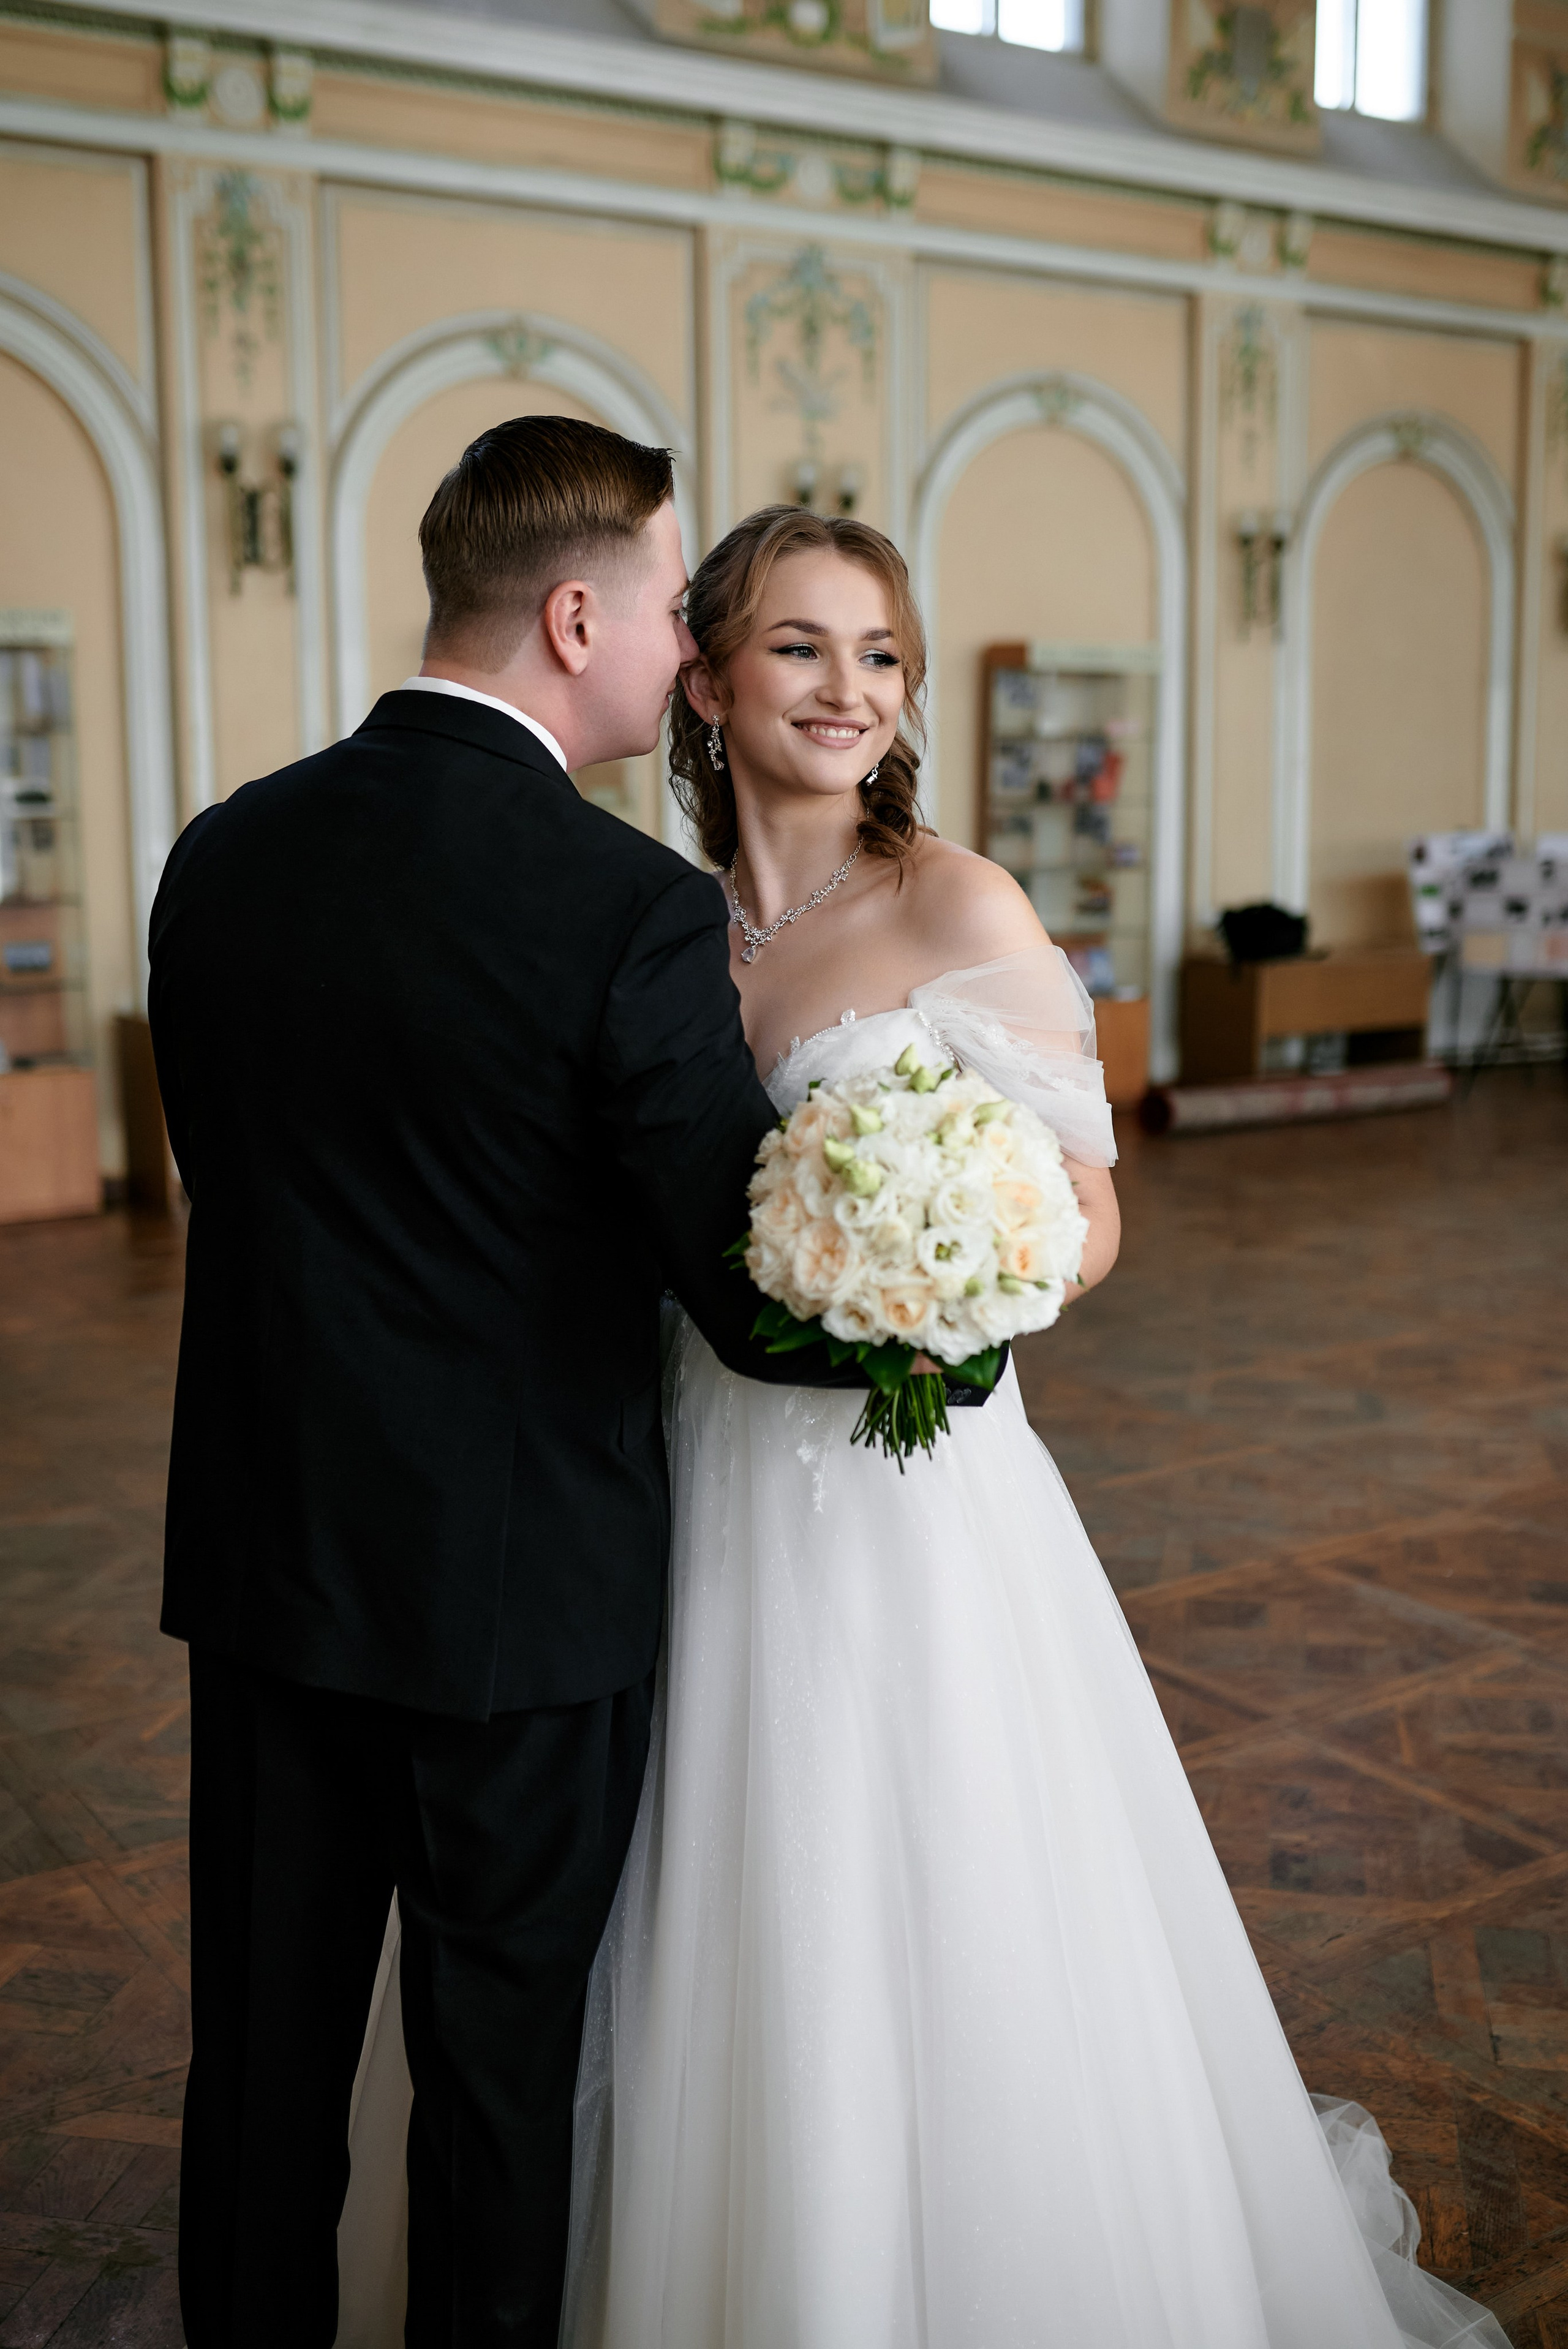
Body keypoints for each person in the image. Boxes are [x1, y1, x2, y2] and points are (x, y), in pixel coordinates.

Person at [340, 510, 1511, 2348]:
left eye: (878, 651)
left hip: (909, 1492)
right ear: (706, 679)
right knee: (666, 1903)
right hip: (670, 1476)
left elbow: (1093, 1208)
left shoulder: (959, 902)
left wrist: (935, 1275)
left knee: (925, 1890)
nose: (849, 688)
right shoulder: (646, 922)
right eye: (800, 647)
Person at [148, 421, 870, 2349]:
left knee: (264, 2081)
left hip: (271, 1572)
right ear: (573, 616)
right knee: (490, 2095)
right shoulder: (622, 909)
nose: (677, 659)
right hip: (515, 1611)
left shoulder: (222, 855)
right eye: (659, 611)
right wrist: (939, 1304)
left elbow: (243, 1187)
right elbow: (739, 1293)